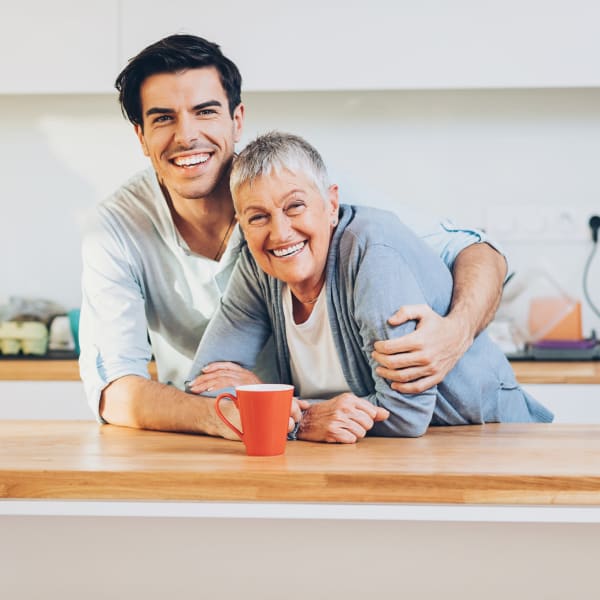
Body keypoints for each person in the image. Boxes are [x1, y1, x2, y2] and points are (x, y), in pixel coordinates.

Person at [79, 34, 508, 438]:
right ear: (141, 136)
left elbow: (474, 250)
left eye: (205, 111)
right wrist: (254, 410)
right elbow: (115, 390)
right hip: (233, 433)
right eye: (163, 118)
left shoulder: (308, 194)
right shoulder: (115, 230)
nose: (187, 134)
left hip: (372, 432)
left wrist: (458, 332)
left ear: (237, 119)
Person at [187, 132, 552, 442]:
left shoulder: (373, 254)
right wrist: (299, 416)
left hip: (489, 444)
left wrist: (283, 412)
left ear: (330, 204)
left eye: (295, 206)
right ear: (243, 225)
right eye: (258, 217)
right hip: (376, 461)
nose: (280, 232)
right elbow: (205, 384)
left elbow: (405, 414)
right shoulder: (258, 265)